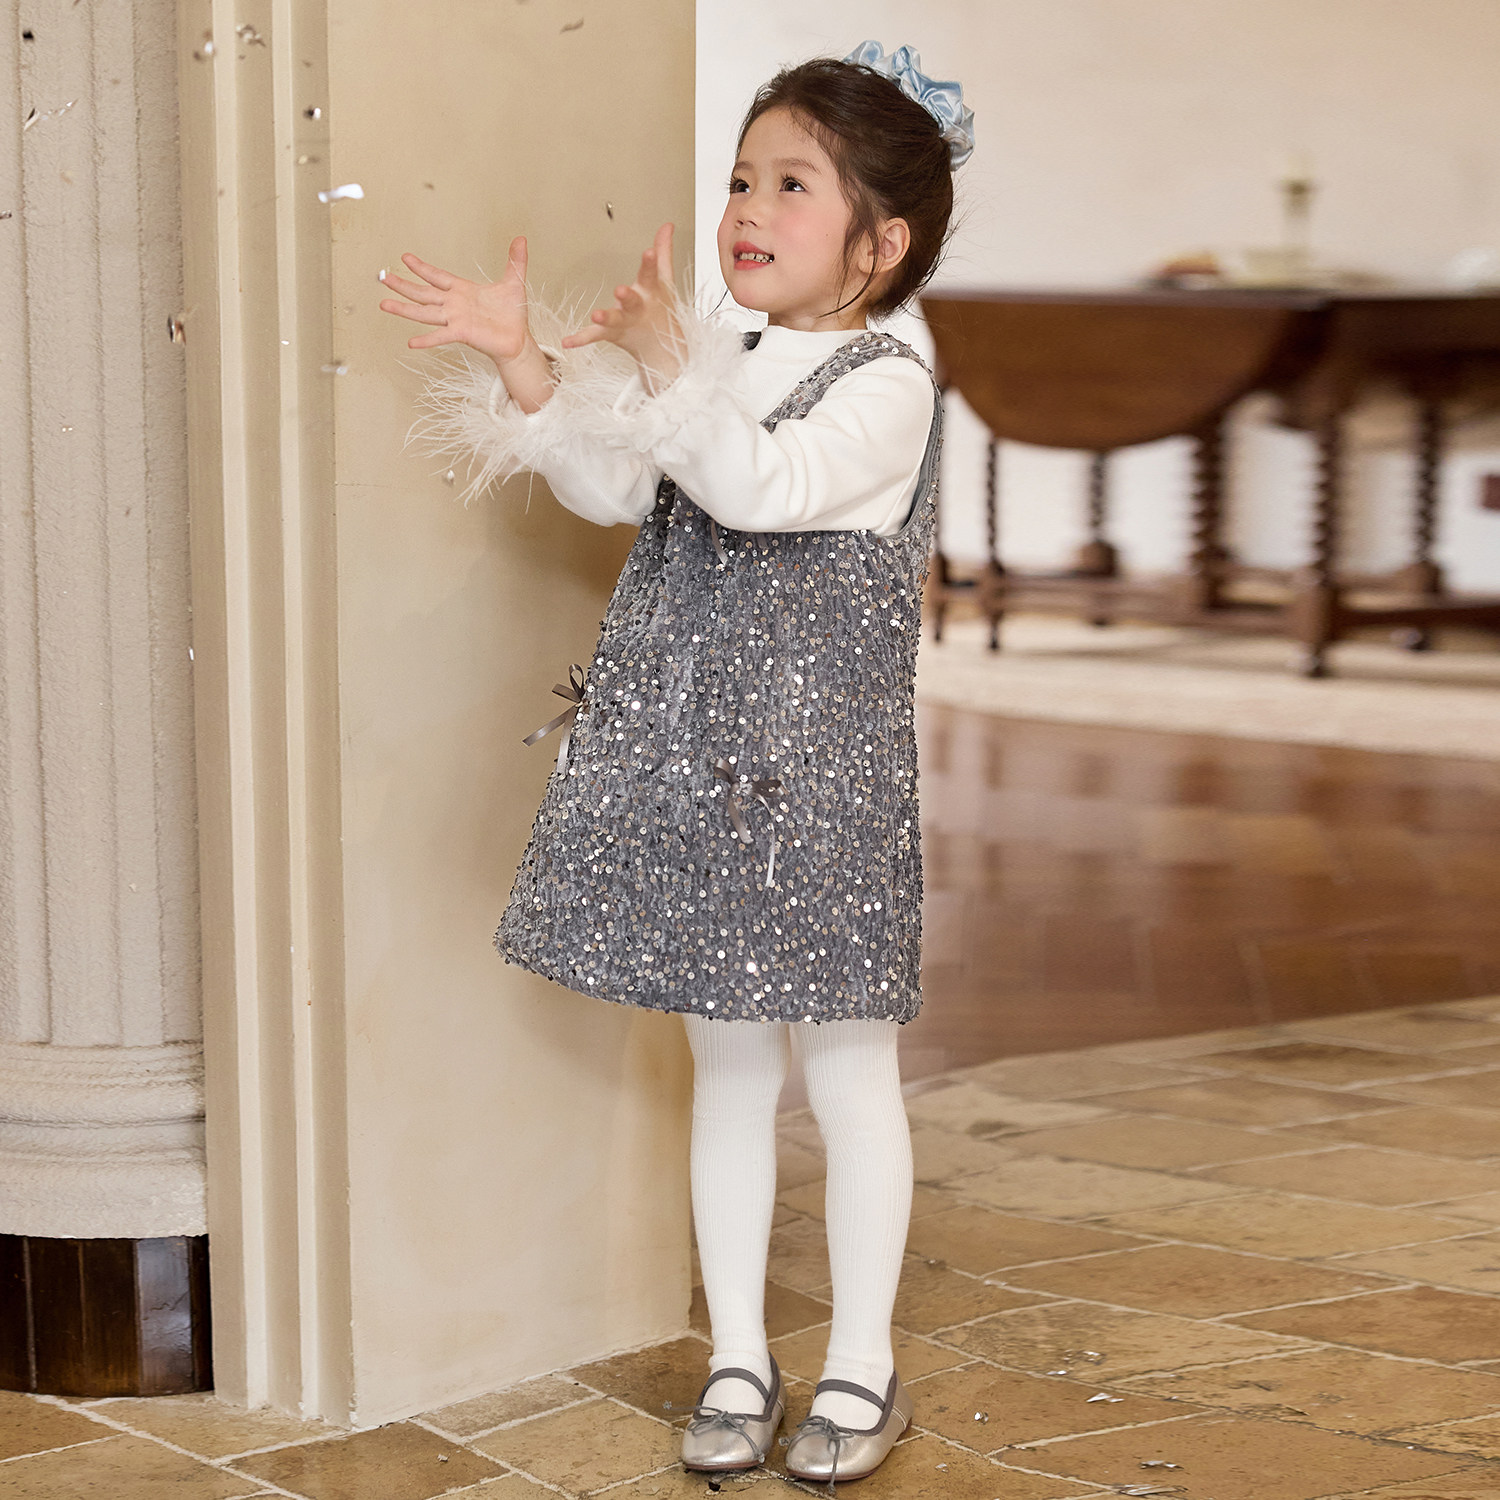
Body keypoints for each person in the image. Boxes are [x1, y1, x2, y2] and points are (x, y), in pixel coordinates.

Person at [378, 41, 973, 1486]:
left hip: (817, 783)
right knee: (726, 1063)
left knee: (847, 1068)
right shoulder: (727, 356)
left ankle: (862, 1363)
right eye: (740, 180)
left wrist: (664, 370)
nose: (746, 209)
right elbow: (610, 484)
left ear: (882, 243)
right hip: (691, 761)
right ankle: (738, 1358)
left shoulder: (892, 379)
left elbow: (761, 490)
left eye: (791, 185)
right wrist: (527, 361)